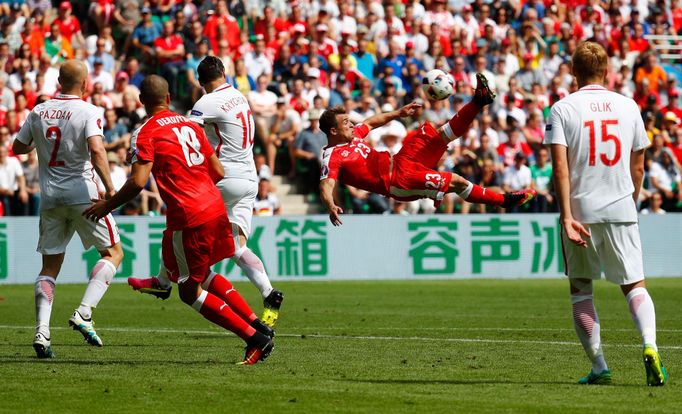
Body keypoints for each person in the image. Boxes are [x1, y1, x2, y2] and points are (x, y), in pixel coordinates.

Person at [83, 75, 274, 365]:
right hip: (213, 205)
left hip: (190, 214)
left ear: (140, 102)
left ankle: (254, 338)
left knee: (189, 291)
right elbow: (218, 171)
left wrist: (107, 205)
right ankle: (254, 322)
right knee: (202, 272)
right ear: (169, 97)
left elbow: (137, 182)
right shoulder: (189, 123)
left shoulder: (144, 132)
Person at [544, 41, 667, 386]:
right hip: (621, 206)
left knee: (581, 290)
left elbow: (560, 168)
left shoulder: (562, 109)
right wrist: (630, 200)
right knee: (634, 285)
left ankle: (600, 368)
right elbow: (638, 166)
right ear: (607, 71)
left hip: (580, 212)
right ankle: (650, 345)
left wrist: (566, 215)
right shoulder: (628, 107)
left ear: (572, 70)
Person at [130, 57, 285, 328]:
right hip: (249, 178)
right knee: (237, 246)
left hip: (224, 176)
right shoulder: (239, 95)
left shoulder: (205, 103)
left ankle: (163, 281)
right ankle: (268, 292)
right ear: (224, 73)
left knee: (181, 222)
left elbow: (183, 132)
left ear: (200, 82)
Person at [11, 60, 124, 358]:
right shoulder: (88, 111)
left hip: (50, 197)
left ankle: (42, 332)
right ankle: (84, 312)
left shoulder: (39, 111)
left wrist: (40, 142)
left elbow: (18, 148)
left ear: (59, 80)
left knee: (49, 268)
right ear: (85, 83)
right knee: (113, 253)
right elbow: (97, 150)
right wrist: (111, 190)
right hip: (83, 194)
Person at [319, 73, 536, 226]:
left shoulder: (353, 135)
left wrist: (398, 113)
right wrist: (331, 205)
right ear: (333, 131)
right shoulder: (331, 156)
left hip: (402, 159)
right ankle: (504, 201)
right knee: (457, 181)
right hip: (398, 181)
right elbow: (326, 184)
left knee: (441, 134)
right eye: (345, 122)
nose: (350, 124)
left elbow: (373, 121)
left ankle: (479, 101)